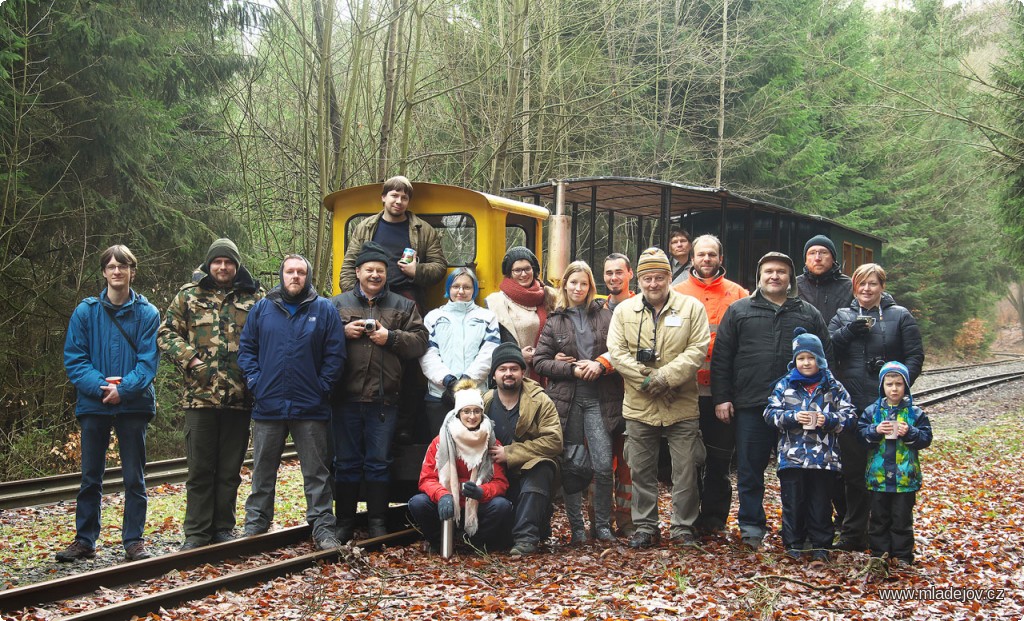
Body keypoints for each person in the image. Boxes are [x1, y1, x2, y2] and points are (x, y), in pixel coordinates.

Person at [711, 252, 832, 551]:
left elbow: (826, 359)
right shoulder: (739, 311)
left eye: (781, 271)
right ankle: (751, 527)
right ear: (759, 276)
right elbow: (722, 357)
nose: (774, 276)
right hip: (752, 404)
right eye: (769, 271)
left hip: (799, 409)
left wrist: (823, 403)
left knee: (800, 472)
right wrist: (722, 397)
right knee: (750, 471)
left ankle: (798, 531)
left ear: (790, 278)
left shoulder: (808, 313)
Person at [159, 238, 264, 551]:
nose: (223, 267)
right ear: (209, 264)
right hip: (200, 397)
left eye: (229, 262)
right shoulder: (189, 295)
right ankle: (196, 532)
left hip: (239, 398)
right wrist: (191, 359)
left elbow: (268, 337)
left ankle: (222, 528)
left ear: (236, 265)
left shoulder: (254, 298)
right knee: (201, 469)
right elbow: (165, 333)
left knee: (230, 471)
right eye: (217, 262)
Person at [57, 245, 160, 562]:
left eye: (123, 266)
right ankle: (85, 540)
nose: (117, 271)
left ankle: (134, 540)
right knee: (91, 477)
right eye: (111, 266)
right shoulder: (85, 312)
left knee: (134, 477)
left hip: (133, 405)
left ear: (132, 271)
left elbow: (147, 364)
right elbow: (75, 360)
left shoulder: (147, 314)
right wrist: (103, 388)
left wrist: (123, 389)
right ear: (104, 272)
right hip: (94, 405)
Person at [238, 254, 346, 550]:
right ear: (281, 275)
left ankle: (323, 527)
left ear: (307, 276)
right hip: (268, 405)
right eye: (290, 272)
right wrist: (255, 382)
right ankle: (256, 525)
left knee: (316, 472)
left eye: (300, 272)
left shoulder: (323, 309)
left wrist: (322, 387)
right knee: (262, 470)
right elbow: (246, 349)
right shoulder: (262, 309)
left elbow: (336, 355)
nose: (295, 276)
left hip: (310, 406)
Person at [607, 247, 710, 548]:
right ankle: (645, 526)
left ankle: (683, 527)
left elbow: (697, 350)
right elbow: (617, 352)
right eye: (647, 278)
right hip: (639, 405)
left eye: (659, 277)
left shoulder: (691, 308)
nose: (653, 284)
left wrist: (666, 377)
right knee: (640, 469)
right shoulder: (624, 311)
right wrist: (646, 379)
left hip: (681, 403)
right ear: (639, 279)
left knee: (686, 468)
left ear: (669, 277)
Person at [332, 241, 429, 539]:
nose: (375, 275)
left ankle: (377, 522)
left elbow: (420, 342)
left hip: (384, 400)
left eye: (380, 271)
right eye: (369, 270)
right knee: (345, 463)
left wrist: (391, 337)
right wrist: (342, 332)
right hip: (344, 398)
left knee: (379, 462)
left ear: (387, 274)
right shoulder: (336, 304)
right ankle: (344, 523)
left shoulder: (403, 305)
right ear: (358, 271)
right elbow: (316, 339)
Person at [829, 263, 924, 552]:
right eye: (862, 284)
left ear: (882, 287)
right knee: (854, 472)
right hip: (853, 403)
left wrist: (895, 378)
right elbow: (828, 350)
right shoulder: (842, 315)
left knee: (890, 470)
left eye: (873, 284)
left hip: (889, 406)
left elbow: (915, 356)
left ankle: (892, 535)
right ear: (854, 287)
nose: (867, 289)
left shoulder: (900, 316)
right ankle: (854, 531)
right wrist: (848, 331)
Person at [534, 261, 623, 544]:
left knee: (602, 464)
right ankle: (577, 530)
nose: (578, 288)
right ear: (565, 286)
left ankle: (603, 525)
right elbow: (540, 361)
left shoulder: (605, 315)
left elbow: (619, 351)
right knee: (572, 466)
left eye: (583, 283)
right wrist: (570, 369)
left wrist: (600, 364)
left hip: (599, 399)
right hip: (568, 402)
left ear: (590, 287)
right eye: (573, 283)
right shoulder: (555, 319)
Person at [673, 234, 749, 537]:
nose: (706, 259)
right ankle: (688, 518)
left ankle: (715, 518)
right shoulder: (677, 293)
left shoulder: (738, 294)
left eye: (711, 255)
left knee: (719, 459)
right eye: (701, 254)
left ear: (720, 258)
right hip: (686, 390)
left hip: (722, 392)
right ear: (692, 258)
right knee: (687, 459)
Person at [764, 328, 855, 564]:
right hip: (792, 456)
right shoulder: (785, 385)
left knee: (820, 503)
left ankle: (820, 545)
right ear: (794, 361)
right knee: (793, 502)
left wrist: (829, 420)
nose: (806, 363)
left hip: (824, 459)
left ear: (820, 359)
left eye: (811, 358)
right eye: (801, 358)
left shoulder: (833, 386)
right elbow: (769, 414)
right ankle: (794, 543)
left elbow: (851, 417)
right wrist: (793, 417)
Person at [408, 380, 513, 553]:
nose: (472, 416)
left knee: (502, 506)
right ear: (458, 413)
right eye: (466, 411)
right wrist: (442, 495)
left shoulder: (492, 441)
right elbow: (426, 479)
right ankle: (437, 541)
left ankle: (475, 543)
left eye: (477, 411)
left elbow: (500, 483)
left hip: (477, 502)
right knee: (418, 503)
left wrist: (482, 492)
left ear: (482, 413)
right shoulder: (440, 441)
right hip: (448, 501)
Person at [482, 343, 563, 556]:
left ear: (523, 372)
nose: (508, 374)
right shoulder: (485, 403)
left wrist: (510, 453)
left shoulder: (540, 400)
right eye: (503, 369)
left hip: (528, 473)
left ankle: (526, 539)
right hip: (495, 476)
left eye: (514, 369)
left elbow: (554, 441)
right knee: (498, 539)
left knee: (543, 467)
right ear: (494, 374)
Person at [857, 362, 932, 566]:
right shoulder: (873, 412)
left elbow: (926, 438)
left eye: (899, 384)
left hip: (905, 477)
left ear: (905, 386)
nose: (894, 388)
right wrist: (875, 430)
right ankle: (879, 555)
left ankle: (903, 556)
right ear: (882, 386)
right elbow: (861, 437)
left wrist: (911, 432)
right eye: (889, 384)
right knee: (878, 518)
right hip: (878, 477)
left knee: (902, 519)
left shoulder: (914, 413)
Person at [339, 176, 447, 309]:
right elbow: (348, 267)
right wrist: (356, 298)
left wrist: (416, 271)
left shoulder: (424, 230)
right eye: (394, 196)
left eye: (404, 198)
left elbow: (439, 267)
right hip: (370, 297)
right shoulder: (365, 228)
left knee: (412, 330)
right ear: (384, 197)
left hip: (407, 298)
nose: (399, 201)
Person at [419, 268, 500, 435]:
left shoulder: (487, 317)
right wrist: (448, 381)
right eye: (456, 286)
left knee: (474, 447)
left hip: (476, 395)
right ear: (448, 289)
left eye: (467, 287)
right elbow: (428, 354)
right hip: (440, 395)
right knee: (441, 448)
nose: (461, 291)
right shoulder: (433, 317)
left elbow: (489, 353)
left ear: (474, 290)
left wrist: (465, 381)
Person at [602, 252, 636, 535]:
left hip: (634, 395)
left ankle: (628, 521)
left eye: (618, 272)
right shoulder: (597, 310)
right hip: (602, 397)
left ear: (629, 274)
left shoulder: (641, 307)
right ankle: (601, 521)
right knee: (601, 464)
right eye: (608, 273)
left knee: (630, 466)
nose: (614, 278)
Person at [484, 246, 555, 377]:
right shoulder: (495, 303)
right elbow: (488, 345)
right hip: (511, 374)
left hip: (546, 371)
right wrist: (516, 355)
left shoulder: (550, 297)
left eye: (527, 269)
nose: (523, 274)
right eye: (517, 270)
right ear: (509, 273)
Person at [797, 235, 853, 326]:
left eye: (823, 252)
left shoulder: (850, 287)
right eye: (812, 253)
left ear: (833, 258)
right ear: (805, 260)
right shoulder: (794, 286)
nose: (817, 258)